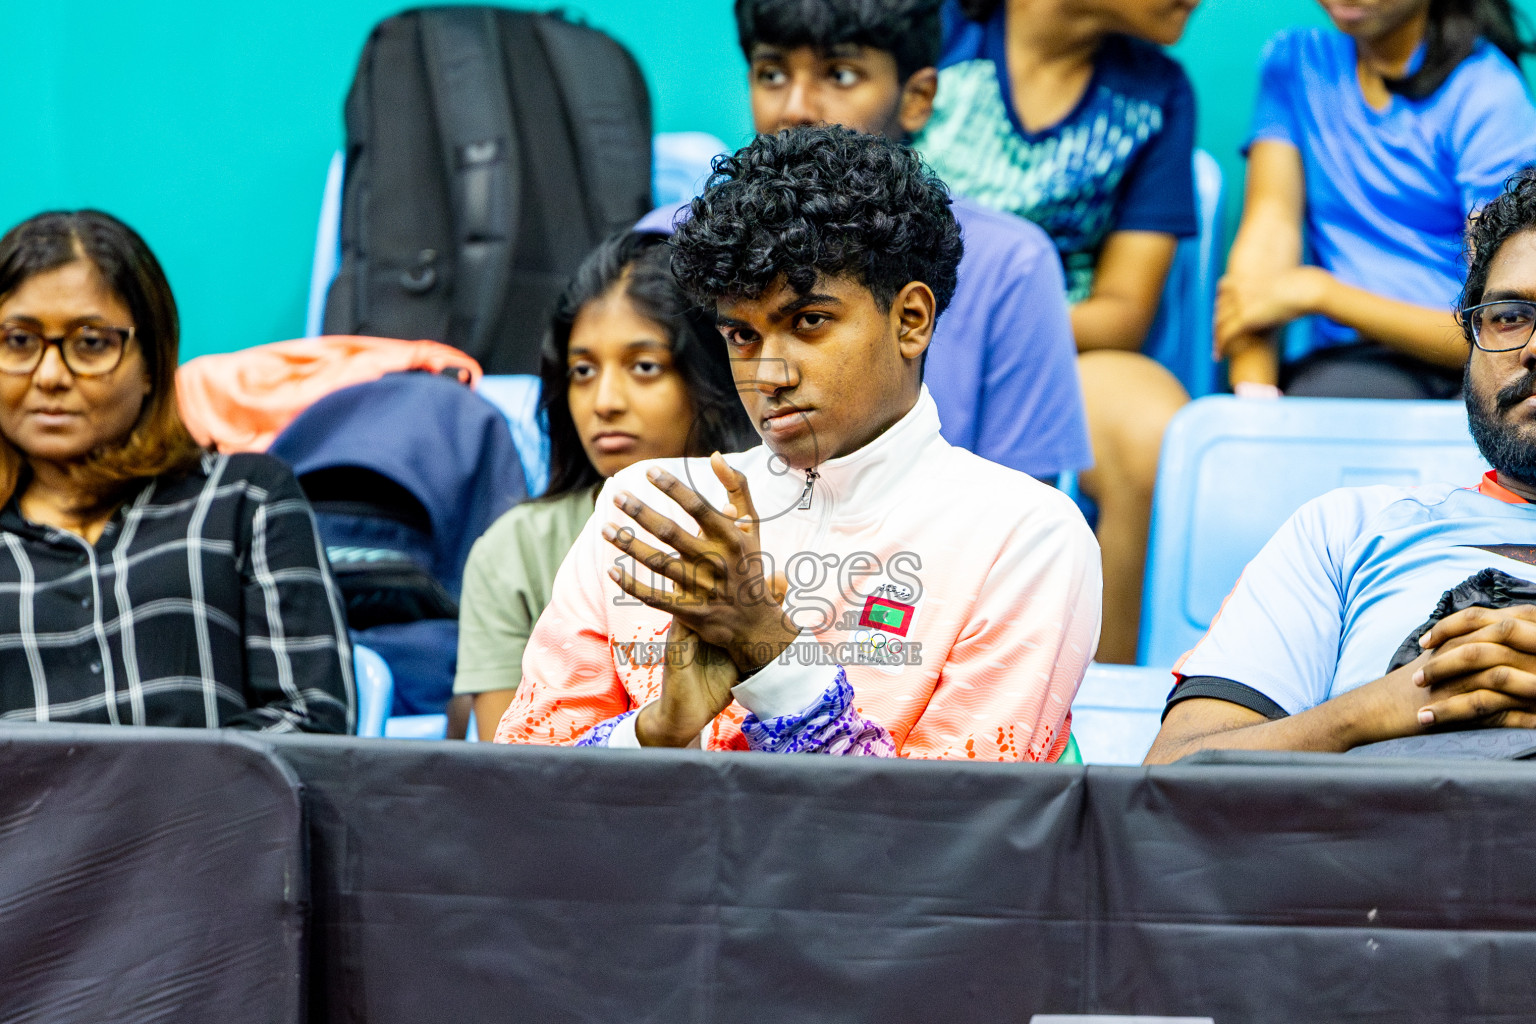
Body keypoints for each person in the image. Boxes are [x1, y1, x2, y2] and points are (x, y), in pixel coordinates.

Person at [497, 126, 1101, 759]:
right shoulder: (651, 510)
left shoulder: (1024, 538)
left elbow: (953, 836)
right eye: (741, 336)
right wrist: (660, 730)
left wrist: (771, 658)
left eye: (808, 322)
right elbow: (529, 787)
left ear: (911, 319)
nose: (769, 375)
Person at [1147, 170, 1536, 762]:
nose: (1532, 346)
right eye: (1510, 315)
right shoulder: (1344, 533)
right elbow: (1170, 775)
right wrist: (1378, 710)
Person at [639, 0, 1092, 486]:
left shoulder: (1013, 264)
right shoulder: (668, 247)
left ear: (917, 97)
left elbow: (1018, 509)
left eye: (840, 75)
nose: (796, 107)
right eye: (771, 74)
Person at [913, 0, 1200, 662]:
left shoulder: (1156, 94)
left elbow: (1125, 307)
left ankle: (1098, 696)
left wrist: (1000, 333)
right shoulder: (933, 35)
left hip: (1060, 341)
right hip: (891, 332)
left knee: (1150, 426)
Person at [0, 210, 352, 731]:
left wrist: (164, 802)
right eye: (19, 341)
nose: (50, 375)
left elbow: (311, 719)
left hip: (225, 812)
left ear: (151, 363)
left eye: (92, 343)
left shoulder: (244, 499)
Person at [454, 232, 755, 740]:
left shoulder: (788, 513)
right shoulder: (515, 549)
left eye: (643, 367)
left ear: (713, 377)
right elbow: (509, 773)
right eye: (583, 371)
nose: (604, 401)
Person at [1219, 0, 1536, 399]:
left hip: (1472, 360)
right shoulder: (1294, 63)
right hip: (1349, 363)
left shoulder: (1487, 92)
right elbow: (1267, 233)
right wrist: (1253, 394)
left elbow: (1499, 329)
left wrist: (1323, 294)